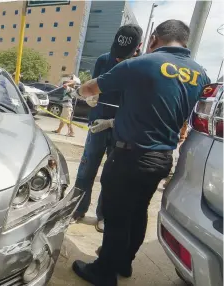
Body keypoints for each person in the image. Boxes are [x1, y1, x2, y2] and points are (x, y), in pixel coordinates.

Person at [70, 20, 210, 286]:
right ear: (184, 41)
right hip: (162, 158)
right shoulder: (199, 73)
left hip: (129, 155)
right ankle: (124, 263)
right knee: (138, 211)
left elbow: (90, 89)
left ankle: (103, 272)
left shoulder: (140, 64)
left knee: (116, 214)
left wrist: (80, 91)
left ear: (154, 38)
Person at [72, 24, 143, 233]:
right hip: (97, 124)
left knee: (112, 176)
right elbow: (94, 85)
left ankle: (104, 215)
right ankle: (77, 210)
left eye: (125, 55)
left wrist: (113, 122)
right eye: (117, 54)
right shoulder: (104, 60)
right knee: (86, 169)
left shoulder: (142, 66)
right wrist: (91, 98)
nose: (119, 59)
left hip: (122, 128)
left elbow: (138, 103)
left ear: (138, 48)